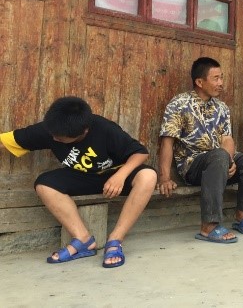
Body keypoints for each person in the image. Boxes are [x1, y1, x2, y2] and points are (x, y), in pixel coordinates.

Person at [0, 96, 157, 268]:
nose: (55, 140)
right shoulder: (51, 130)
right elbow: (6, 141)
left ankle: (115, 240)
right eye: (53, 136)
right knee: (44, 184)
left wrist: (121, 175)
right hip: (83, 177)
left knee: (148, 176)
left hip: (117, 176)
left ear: (84, 132)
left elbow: (140, 152)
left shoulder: (105, 128)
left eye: (61, 139)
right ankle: (83, 240)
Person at [158, 57, 243, 244]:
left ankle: (242, 215)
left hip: (220, 161)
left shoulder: (221, 107)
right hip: (193, 166)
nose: (221, 83)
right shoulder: (179, 104)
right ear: (200, 82)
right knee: (219, 156)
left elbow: (227, 139)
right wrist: (164, 178)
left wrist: (230, 161)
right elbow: (167, 142)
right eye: (216, 78)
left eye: (221, 78)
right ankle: (209, 226)